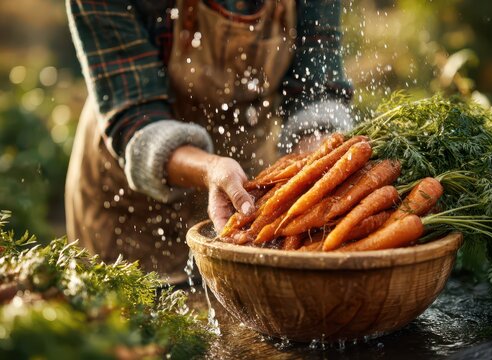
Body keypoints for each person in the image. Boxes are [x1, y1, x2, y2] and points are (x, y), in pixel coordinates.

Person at [65, 0, 354, 282]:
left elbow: (317, 88)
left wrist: (312, 168)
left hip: (244, 186)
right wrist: (209, 169)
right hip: (134, 201)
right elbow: (136, 117)